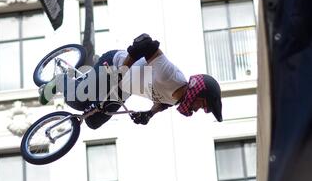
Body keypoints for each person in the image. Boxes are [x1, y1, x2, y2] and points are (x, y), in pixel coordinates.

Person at [39, 33, 223, 129]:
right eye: (202, 105)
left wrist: (149, 114)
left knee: (92, 122)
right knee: (78, 102)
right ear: (199, 91)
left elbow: (163, 103)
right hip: (114, 66)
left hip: (123, 90)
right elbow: (144, 43)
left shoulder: (177, 99)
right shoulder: (170, 75)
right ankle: (60, 80)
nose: (197, 110)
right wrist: (122, 71)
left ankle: (82, 81)